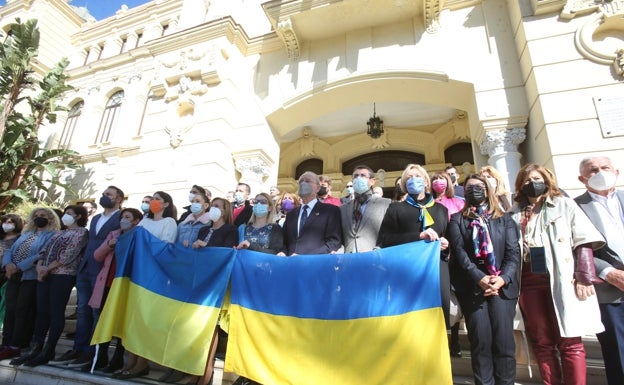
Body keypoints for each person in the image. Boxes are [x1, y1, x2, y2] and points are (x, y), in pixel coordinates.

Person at [510, 163, 605, 385]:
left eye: (536, 178)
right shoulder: (514, 213)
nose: (531, 183)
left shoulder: (564, 205)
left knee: (569, 338)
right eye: (526, 180)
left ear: (546, 180)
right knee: (541, 340)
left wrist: (583, 275)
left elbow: (584, 240)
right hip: (528, 279)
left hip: (561, 277)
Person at [447, 174, 520, 385]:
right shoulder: (457, 220)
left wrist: (503, 278)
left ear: (487, 190)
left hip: (502, 288)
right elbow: (460, 253)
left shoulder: (504, 219)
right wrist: (480, 278)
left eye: (478, 187)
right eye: (469, 187)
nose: (473, 190)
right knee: (481, 342)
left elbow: (512, 252)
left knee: (504, 342)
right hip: (473, 287)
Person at [53, 186, 123, 369]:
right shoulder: (97, 218)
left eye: (108, 195)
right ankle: (79, 348)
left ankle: (92, 352)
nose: (104, 197)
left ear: (118, 199)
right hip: (85, 268)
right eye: (103, 194)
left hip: (103, 270)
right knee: (82, 310)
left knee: (96, 311)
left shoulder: (120, 217)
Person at [10, 205, 89, 367]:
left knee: (55, 312)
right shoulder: (59, 232)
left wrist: (47, 267)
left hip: (63, 275)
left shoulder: (82, 233)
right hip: (45, 274)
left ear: (79, 216)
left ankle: (49, 349)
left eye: (69, 214)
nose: (65, 216)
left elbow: (68, 254)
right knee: (42, 312)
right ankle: (36, 348)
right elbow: (44, 251)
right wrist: (40, 266)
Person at [377, 164, 451, 326]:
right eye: (408, 178)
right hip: (407, 271)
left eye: (417, 176)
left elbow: (450, 240)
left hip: (436, 270)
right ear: (404, 185)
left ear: (425, 181)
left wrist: (447, 245)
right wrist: (418, 236)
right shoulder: (395, 208)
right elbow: (385, 240)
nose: (413, 180)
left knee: (438, 319)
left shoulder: (441, 210)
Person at [114, 191, 178, 380]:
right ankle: (131, 361)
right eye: (153, 199)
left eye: (158, 199)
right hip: (136, 272)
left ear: (166, 204)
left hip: (153, 275)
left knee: (145, 319)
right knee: (133, 318)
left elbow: (166, 246)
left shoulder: (169, 223)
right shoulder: (144, 222)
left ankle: (142, 363)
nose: (153, 202)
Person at [574, 156, 624, 385]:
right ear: (582, 179)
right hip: (609, 291)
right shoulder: (575, 206)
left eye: (605, 168)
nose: (600, 173)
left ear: (617, 171)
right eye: (592, 170)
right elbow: (574, 246)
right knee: (618, 353)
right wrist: (607, 272)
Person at [0, 207, 60, 360]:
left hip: (30, 276)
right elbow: (10, 250)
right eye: (36, 215)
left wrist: (18, 267)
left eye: (43, 215)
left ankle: (17, 345)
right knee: (10, 309)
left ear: (51, 218)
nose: (39, 218)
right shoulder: (26, 234)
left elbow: (40, 254)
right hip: (13, 275)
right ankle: (5, 343)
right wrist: (8, 265)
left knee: (23, 310)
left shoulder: (52, 235)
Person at [89, 208, 143, 374]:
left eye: (128, 217)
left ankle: (117, 359)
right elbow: (97, 255)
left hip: (125, 284)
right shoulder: (113, 234)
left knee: (121, 321)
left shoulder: (138, 236)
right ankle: (100, 357)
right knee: (102, 320)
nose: (123, 220)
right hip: (107, 283)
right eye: (122, 217)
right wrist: (109, 245)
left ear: (136, 221)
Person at [192, 197, 239, 385]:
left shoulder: (231, 230)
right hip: (200, 281)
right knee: (198, 325)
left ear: (226, 211)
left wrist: (207, 246)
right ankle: (194, 370)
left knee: (212, 326)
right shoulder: (203, 230)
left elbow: (227, 253)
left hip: (218, 283)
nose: (213, 209)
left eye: (217, 206)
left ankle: (206, 372)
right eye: (212, 206)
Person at [430, 171, 465, 357]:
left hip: (455, 256)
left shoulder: (458, 202)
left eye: (441, 178)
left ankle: (455, 340)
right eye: (434, 179)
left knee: (455, 298)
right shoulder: (428, 203)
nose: (438, 182)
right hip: (434, 258)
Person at [279, 171, 342, 256]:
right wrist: (282, 252)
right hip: (291, 264)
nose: (303, 184)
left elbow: (334, 242)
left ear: (318, 188)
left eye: (307, 181)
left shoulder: (330, 211)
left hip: (315, 265)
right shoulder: (291, 214)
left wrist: (306, 257)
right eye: (301, 182)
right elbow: (285, 242)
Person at [340, 165, 390, 253]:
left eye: (363, 175)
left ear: (372, 181)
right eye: (355, 176)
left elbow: (390, 233)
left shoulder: (386, 204)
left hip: (375, 259)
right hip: (348, 260)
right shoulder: (343, 208)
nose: (358, 178)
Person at [0, 214, 23, 328]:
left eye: (10, 222)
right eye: (5, 221)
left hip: (8, 273)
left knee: (5, 300)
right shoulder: (1, 236)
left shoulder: (20, 238)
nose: (6, 224)